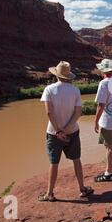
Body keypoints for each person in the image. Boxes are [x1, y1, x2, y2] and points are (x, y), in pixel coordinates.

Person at [38, 61, 93, 201]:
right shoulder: (75, 90)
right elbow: (78, 112)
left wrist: (58, 131)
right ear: (68, 76)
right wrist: (67, 128)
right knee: (76, 160)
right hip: (72, 131)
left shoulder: (49, 90)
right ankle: (82, 189)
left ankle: (49, 194)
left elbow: (49, 112)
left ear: (56, 74)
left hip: (53, 133)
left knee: (54, 163)